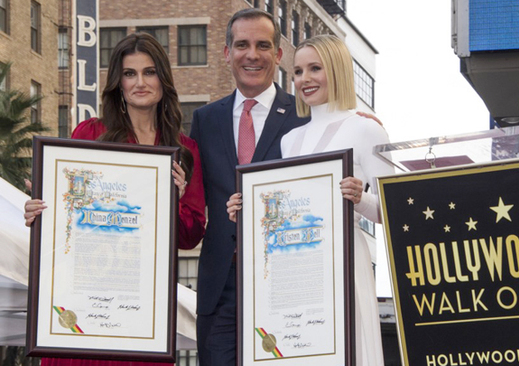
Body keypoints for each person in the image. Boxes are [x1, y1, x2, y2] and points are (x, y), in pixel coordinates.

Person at [23, 32, 206, 366]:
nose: (140, 82)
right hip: (84, 294)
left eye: (149, 72)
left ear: (163, 79)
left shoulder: (185, 151)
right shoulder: (90, 134)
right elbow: (66, 212)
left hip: (142, 308)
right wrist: (40, 211)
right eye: (129, 73)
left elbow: (190, 236)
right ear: (117, 82)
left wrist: (175, 199)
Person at [227, 34, 392, 365]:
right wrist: (247, 211)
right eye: (298, 71)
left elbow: (394, 211)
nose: (304, 79)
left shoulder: (366, 129)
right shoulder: (290, 140)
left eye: (315, 68)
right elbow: (287, 210)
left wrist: (360, 199)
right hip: (295, 265)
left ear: (337, 69)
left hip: (343, 263)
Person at [188, 8, 308, 366]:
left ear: (278, 54)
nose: (252, 55)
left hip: (287, 284)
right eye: (242, 45)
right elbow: (189, 202)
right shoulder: (204, 120)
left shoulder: (305, 116)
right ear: (227, 52)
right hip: (221, 286)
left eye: (262, 45)